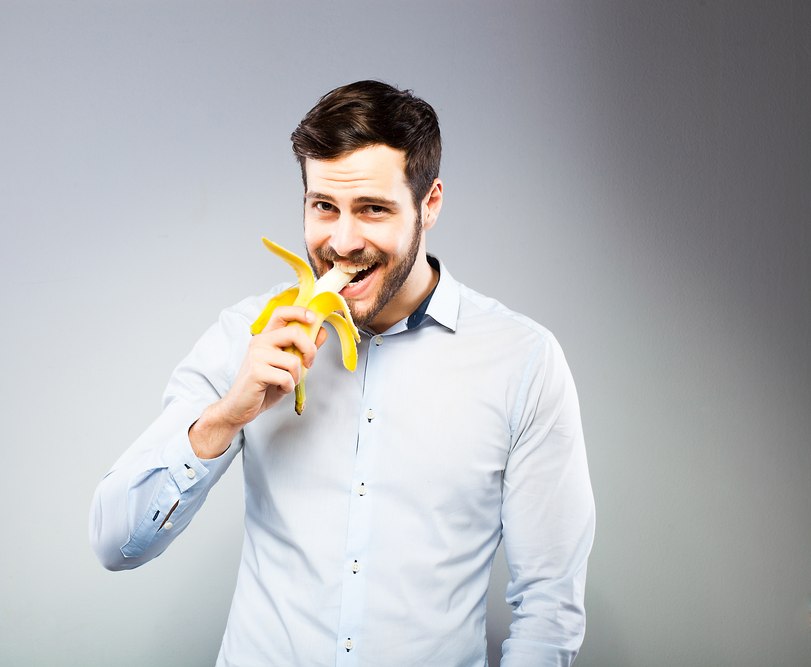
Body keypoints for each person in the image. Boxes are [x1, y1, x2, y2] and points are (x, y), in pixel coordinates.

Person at [90, 80, 595, 667]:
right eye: (324, 207)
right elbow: (114, 544)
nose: (343, 242)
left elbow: (549, 608)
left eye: (373, 209)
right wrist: (227, 415)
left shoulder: (522, 362)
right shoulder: (247, 336)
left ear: (429, 204)